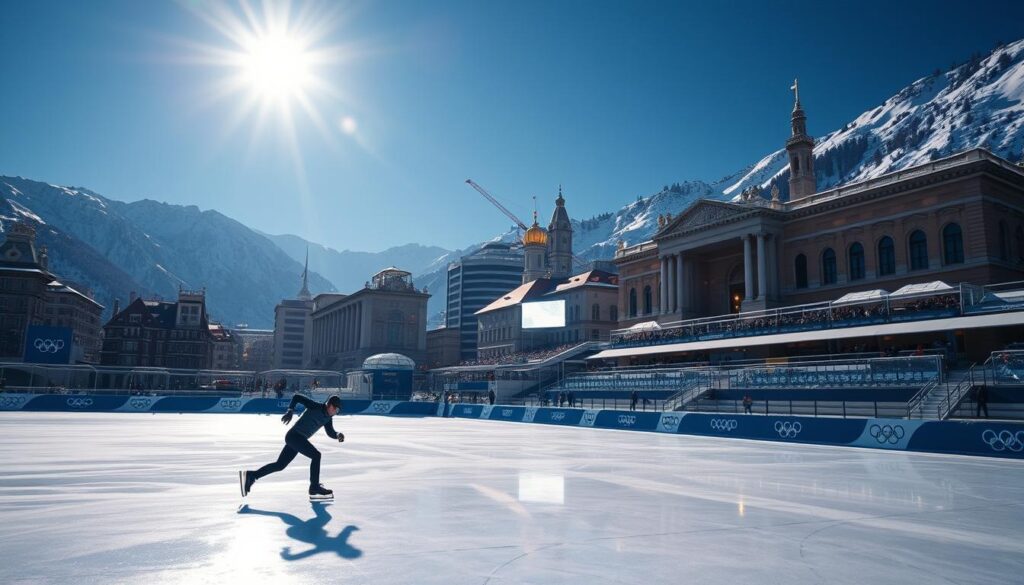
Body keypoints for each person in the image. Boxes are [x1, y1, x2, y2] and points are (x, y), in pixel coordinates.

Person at [240, 394, 345, 501]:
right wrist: (290, 410)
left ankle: (252, 475)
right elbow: (297, 397)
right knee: (316, 455)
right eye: (336, 410)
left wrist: (337, 435)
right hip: (294, 436)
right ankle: (314, 487)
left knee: (280, 465)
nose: (336, 413)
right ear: (331, 406)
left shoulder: (328, 418)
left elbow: (330, 432)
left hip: (297, 439)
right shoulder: (315, 406)